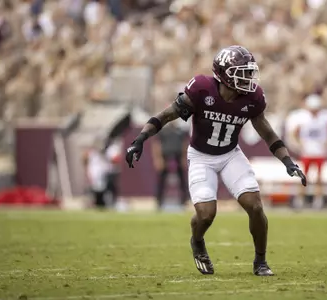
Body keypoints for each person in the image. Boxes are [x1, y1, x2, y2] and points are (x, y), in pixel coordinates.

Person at [125, 45, 306, 276]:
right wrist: (140, 139)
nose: (248, 78)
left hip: (230, 155)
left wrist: (288, 162)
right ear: (224, 73)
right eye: (242, 72)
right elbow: (166, 115)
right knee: (206, 214)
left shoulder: (253, 98)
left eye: (249, 72)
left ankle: (260, 261)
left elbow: (268, 134)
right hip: (201, 156)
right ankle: (197, 240)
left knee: (255, 205)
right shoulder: (201, 89)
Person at [288, 94, 327, 209]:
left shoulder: (325, 117)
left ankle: (318, 200)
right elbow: (294, 132)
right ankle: (300, 199)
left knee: (319, 177)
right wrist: (299, 144)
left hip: (320, 152)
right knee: (303, 176)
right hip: (307, 152)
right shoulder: (303, 117)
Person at [151, 120, 188, 210]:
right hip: (165, 155)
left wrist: (184, 158)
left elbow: (185, 144)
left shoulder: (181, 130)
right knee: (161, 180)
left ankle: (184, 201)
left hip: (178, 155)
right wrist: (158, 159)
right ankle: (159, 201)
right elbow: (156, 144)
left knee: (182, 179)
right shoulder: (163, 131)